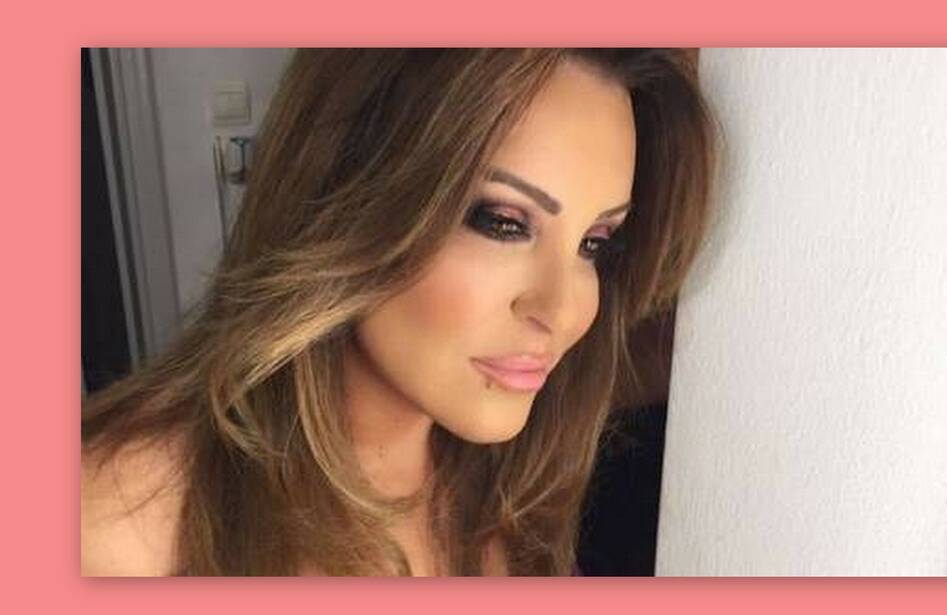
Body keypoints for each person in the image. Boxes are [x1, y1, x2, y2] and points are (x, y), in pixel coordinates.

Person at [80, 48, 716, 576]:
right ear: (346, 193)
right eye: (502, 222)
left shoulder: (519, 478)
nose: (563, 310)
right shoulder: (113, 518)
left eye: (594, 243)